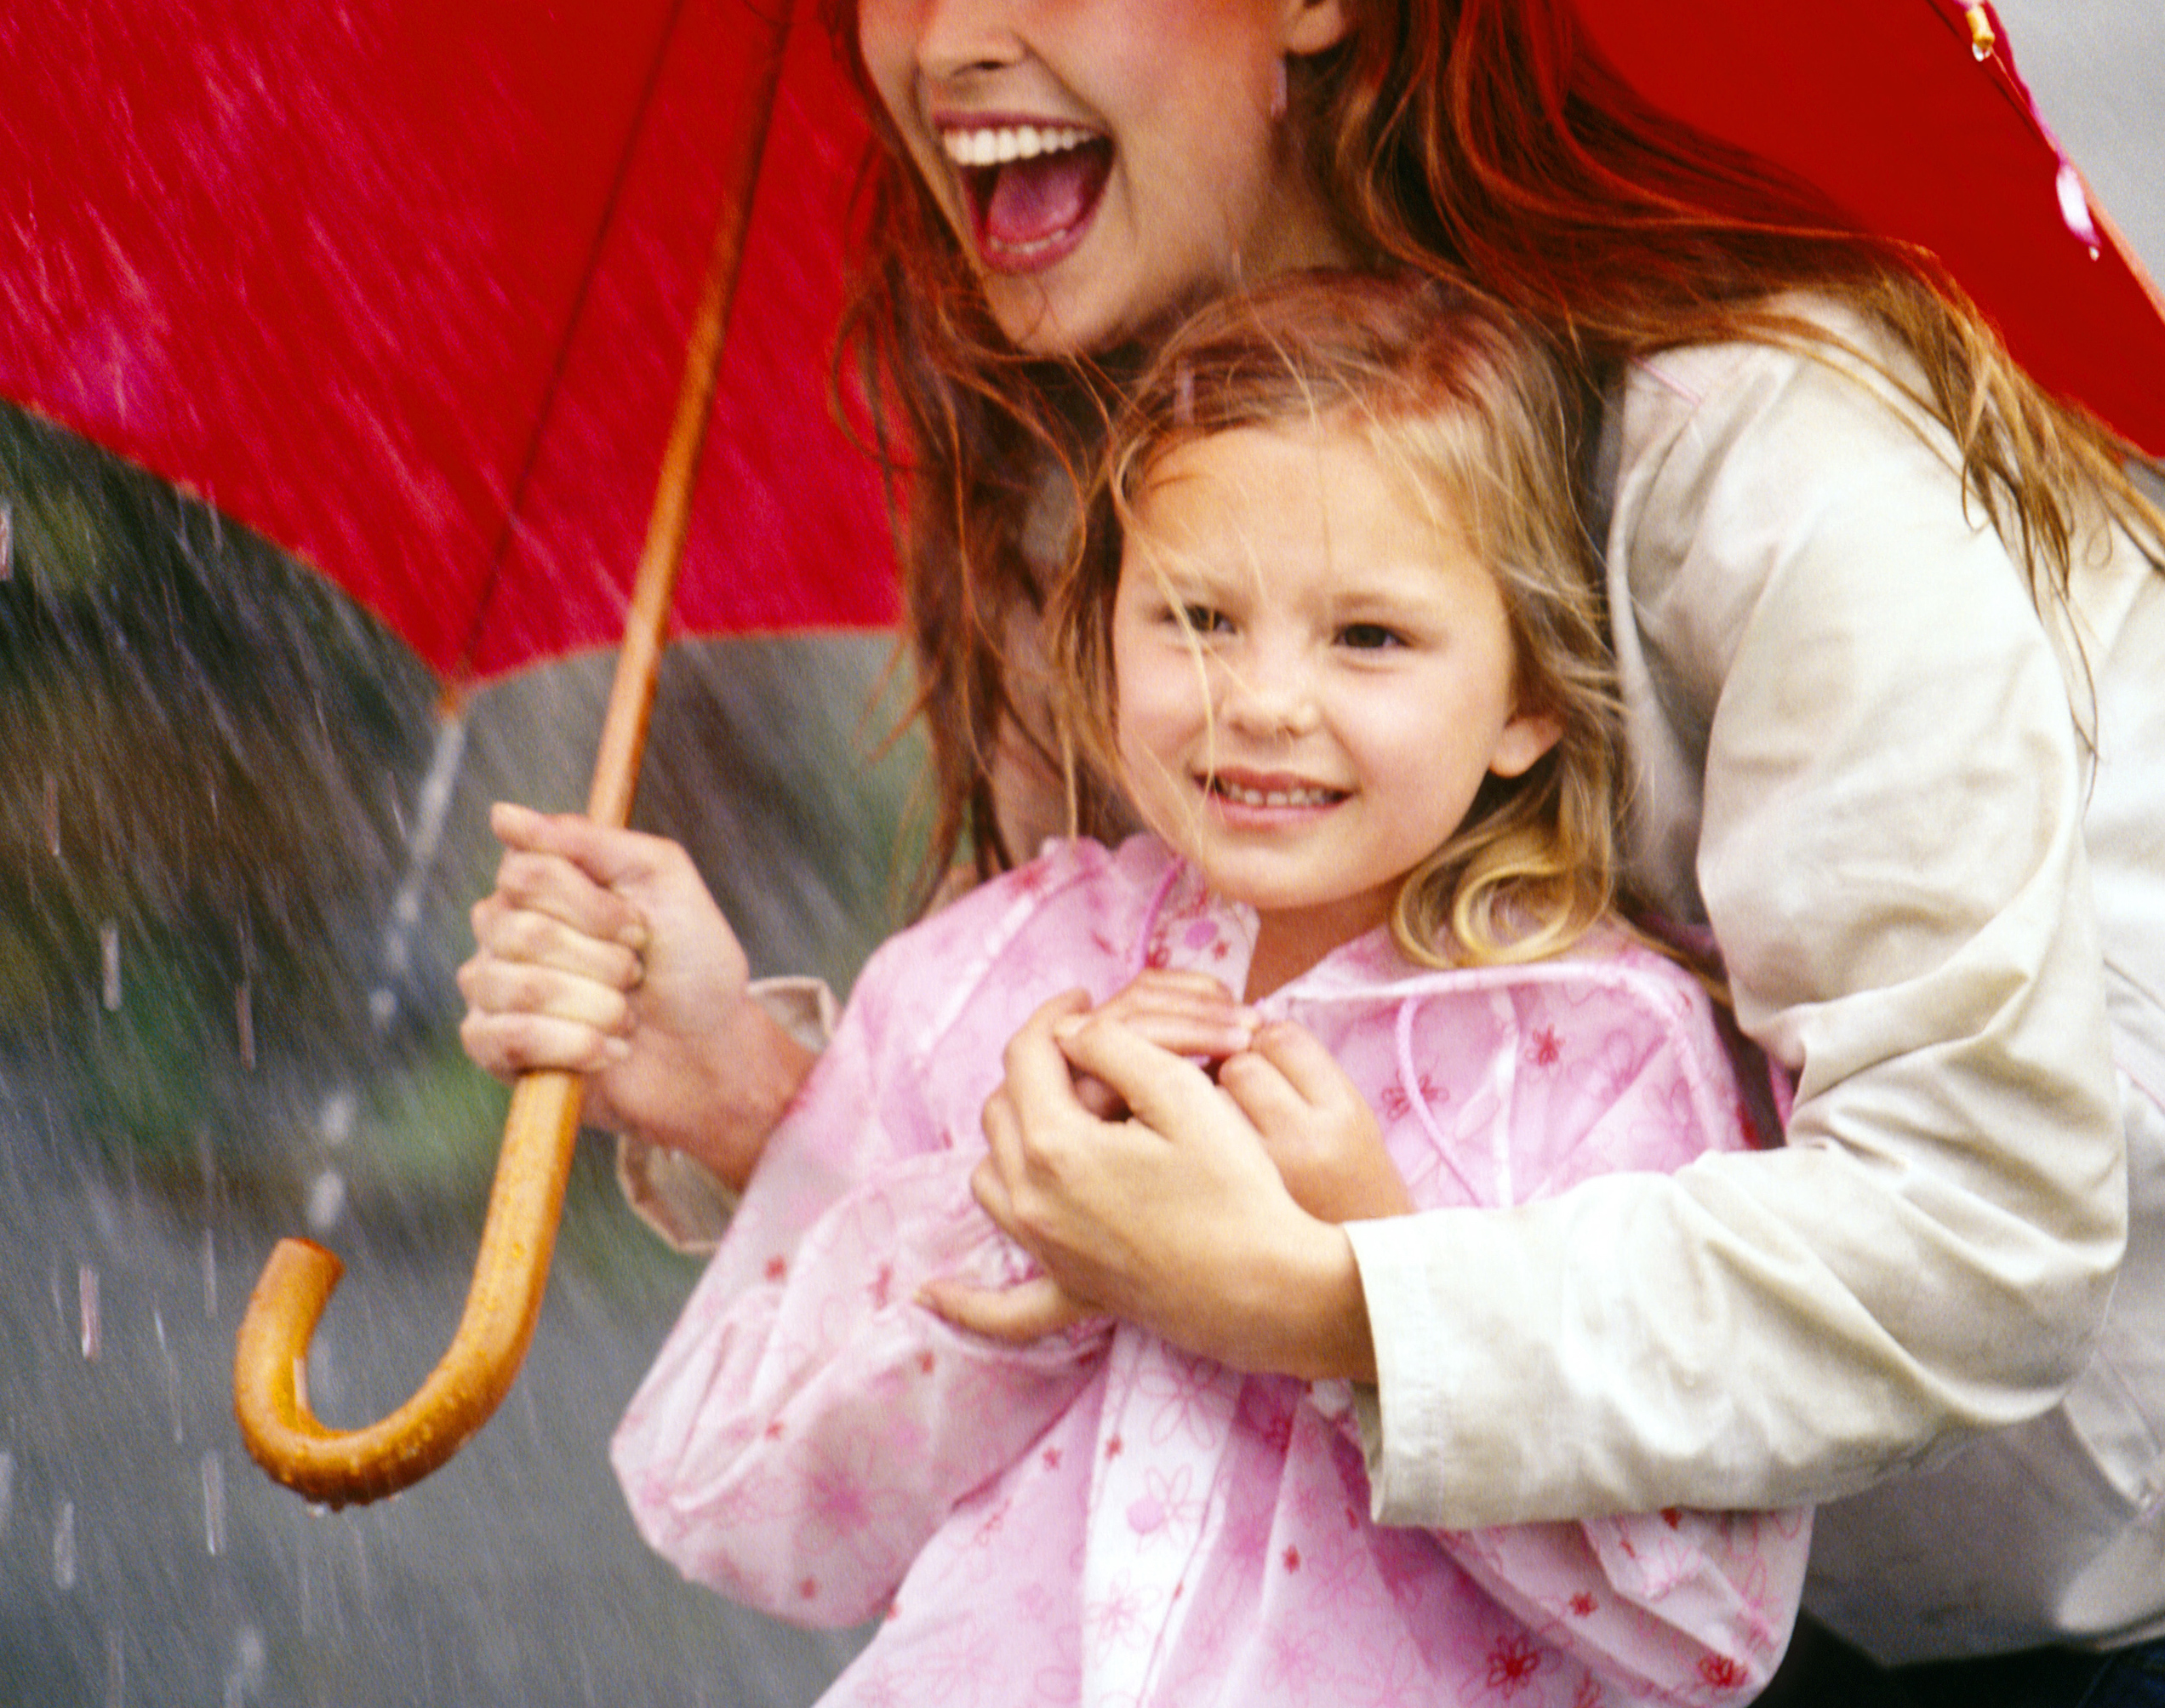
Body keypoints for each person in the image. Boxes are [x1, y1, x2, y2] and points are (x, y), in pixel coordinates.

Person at [457, 0, 2165, 1691]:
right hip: (1559, 1602)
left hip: (2065, 1588)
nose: (950, 37)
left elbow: (1981, 1235)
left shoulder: (1775, 460)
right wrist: (754, 1093)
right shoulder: (1109, 483)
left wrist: (1341, 1300)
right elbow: (1160, 1174)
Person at [610, 272, 1808, 1706]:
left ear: (1530, 694)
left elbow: (1707, 1631)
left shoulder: (1601, 1053)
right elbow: (725, 1496)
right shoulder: (1002, 976)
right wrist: (1026, 1226)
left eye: (1369, 636)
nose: (1261, 701)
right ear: (1101, 629)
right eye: (1195, 616)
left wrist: (1379, 1284)